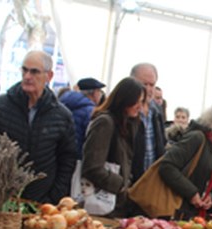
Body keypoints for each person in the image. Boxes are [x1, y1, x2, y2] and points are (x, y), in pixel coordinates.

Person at [0, 50, 77, 204]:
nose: (28, 76)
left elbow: (67, 160)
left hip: (41, 202)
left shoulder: (62, 116)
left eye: (34, 72)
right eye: (25, 70)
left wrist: (54, 197)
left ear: (49, 76)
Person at [159, 99, 212, 219]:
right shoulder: (197, 138)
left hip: (192, 212)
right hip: (175, 209)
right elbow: (167, 166)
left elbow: (209, 176)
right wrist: (192, 193)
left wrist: (209, 195)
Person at [80, 77, 143, 217]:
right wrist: (120, 185)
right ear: (125, 100)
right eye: (137, 101)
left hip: (114, 204)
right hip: (101, 205)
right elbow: (92, 167)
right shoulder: (105, 123)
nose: (140, 106)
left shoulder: (128, 124)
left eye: (141, 101)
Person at [130, 63, 166, 182]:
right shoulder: (125, 111)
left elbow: (161, 145)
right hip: (128, 182)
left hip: (151, 182)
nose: (149, 89)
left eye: (152, 84)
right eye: (144, 84)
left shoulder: (156, 111)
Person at [60, 77, 106, 153]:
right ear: (94, 93)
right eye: (99, 91)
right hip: (77, 155)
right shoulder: (90, 111)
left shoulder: (63, 102)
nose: (100, 94)